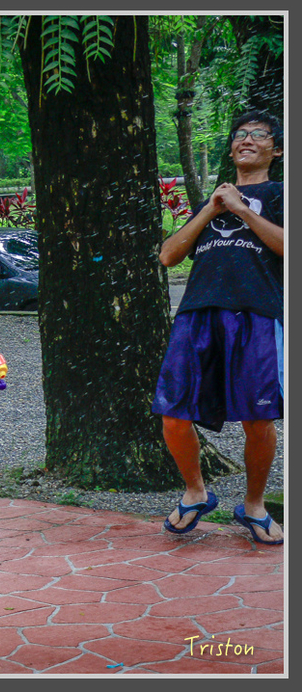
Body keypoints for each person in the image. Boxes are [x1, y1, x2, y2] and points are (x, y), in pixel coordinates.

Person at [154, 109, 284, 545]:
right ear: (231, 148)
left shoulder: (282, 193)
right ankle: (195, 492)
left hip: (257, 314)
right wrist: (211, 208)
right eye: (239, 134)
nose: (246, 139)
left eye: (259, 135)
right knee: (173, 414)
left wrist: (242, 210)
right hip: (196, 313)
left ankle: (253, 506)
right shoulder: (210, 202)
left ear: (276, 149)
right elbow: (169, 255)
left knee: (258, 417)